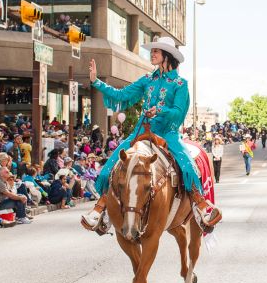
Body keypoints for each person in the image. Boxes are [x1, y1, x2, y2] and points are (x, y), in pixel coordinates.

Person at [80, 36, 222, 233]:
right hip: (141, 131)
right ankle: (101, 208)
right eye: (153, 51)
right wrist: (96, 82)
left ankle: (201, 206)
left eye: (156, 51)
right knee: (111, 164)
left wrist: (160, 111)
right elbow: (122, 95)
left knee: (188, 166)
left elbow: (178, 112)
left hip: (167, 133)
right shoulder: (147, 80)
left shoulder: (180, 84)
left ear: (167, 56)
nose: (152, 54)